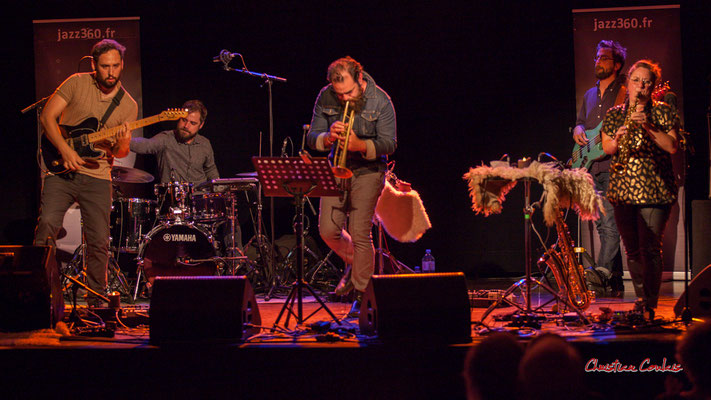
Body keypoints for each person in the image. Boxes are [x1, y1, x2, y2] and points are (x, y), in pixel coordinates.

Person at [34, 39, 137, 307]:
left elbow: (122, 151)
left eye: (116, 66)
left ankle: (97, 302)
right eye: (105, 66)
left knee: (99, 240)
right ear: (94, 65)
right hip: (62, 170)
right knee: (46, 226)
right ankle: (38, 295)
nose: (111, 72)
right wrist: (65, 152)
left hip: (98, 174)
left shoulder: (128, 105)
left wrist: (124, 142)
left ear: (122, 64)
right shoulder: (76, 82)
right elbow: (47, 118)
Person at [306, 56, 397, 317]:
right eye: (339, 94)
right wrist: (326, 137)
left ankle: (362, 294)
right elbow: (313, 136)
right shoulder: (326, 96)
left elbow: (389, 143)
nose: (344, 98)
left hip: (369, 171)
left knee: (359, 233)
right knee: (327, 231)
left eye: (349, 92)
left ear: (360, 78)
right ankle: (356, 263)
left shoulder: (381, 100)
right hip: (336, 168)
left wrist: (361, 145)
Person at [601, 59, 679, 320]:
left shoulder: (663, 112)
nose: (641, 86)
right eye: (636, 80)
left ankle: (650, 304)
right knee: (632, 250)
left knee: (649, 248)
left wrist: (648, 124)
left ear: (652, 86)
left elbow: (672, 146)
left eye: (647, 82)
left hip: (655, 190)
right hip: (623, 191)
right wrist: (618, 137)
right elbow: (607, 148)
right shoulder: (614, 114)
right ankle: (641, 301)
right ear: (628, 82)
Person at [572, 40, 627, 297]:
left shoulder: (624, 92)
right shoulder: (588, 95)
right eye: (596, 57)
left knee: (609, 225)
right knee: (604, 225)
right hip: (591, 166)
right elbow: (580, 123)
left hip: (614, 166)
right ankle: (614, 280)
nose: (598, 61)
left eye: (604, 58)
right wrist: (578, 129)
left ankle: (602, 274)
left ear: (616, 64)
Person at [130, 99, 219, 184]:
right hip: (173, 197)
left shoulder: (205, 143)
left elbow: (210, 169)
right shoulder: (166, 138)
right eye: (184, 120)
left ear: (201, 125)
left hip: (200, 196)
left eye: (192, 123)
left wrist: (219, 188)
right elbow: (145, 145)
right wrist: (123, 139)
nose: (186, 126)